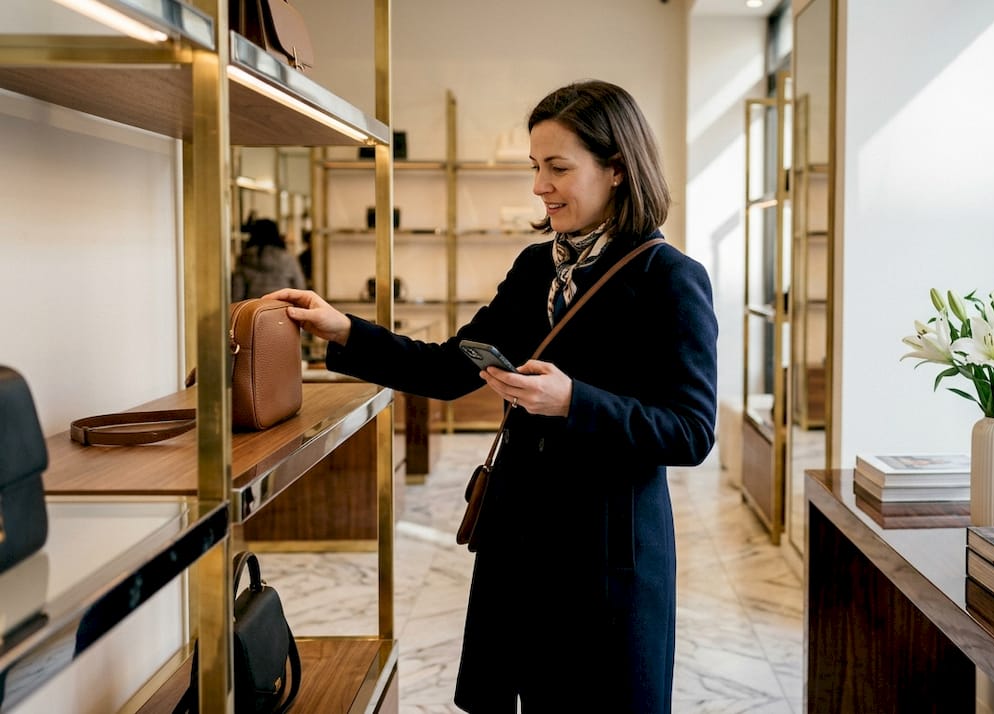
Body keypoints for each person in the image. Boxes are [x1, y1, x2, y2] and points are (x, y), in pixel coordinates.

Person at [265, 80, 717, 713]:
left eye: (558, 168)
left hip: (608, 556)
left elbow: (692, 432)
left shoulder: (669, 278)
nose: (540, 186)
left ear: (617, 168)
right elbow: (450, 368)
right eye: (536, 168)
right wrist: (345, 330)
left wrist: (573, 401)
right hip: (521, 539)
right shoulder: (537, 268)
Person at [231, 218, 306, 300]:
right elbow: (300, 287)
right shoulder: (288, 258)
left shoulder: (244, 258)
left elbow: (237, 292)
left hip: (254, 308)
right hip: (283, 306)